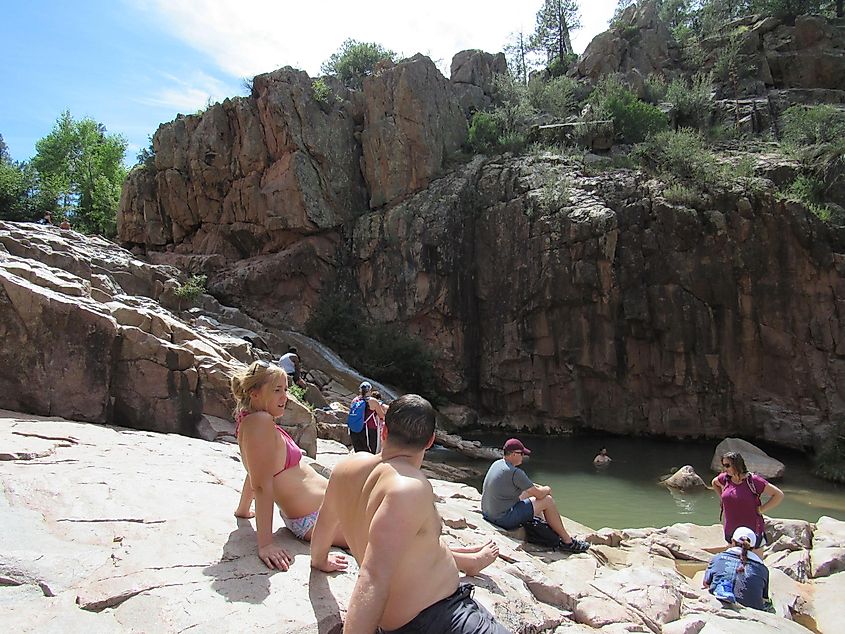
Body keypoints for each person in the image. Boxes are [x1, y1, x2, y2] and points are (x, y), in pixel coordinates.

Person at [310, 394, 509, 634]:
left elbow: (324, 522)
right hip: (437, 619)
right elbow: (372, 576)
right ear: (430, 441)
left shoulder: (346, 467)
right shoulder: (408, 487)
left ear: (384, 431)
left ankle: (470, 562)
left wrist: (319, 561)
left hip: (441, 611)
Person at [230, 360, 347, 570]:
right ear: (254, 392)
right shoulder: (260, 423)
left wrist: (243, 510)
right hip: (317, 518)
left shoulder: (251, 419)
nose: (285, 397)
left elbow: (255, 471)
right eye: (276, 390)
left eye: (285, 389)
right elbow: (262, 485)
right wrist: (265, 545)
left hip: (322, 510)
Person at [481, 438, 589, 553]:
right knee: (547, 500)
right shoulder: (515, 473)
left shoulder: (497, 464)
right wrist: (548, 488)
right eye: (521, 454)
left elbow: (531, 489)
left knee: (531, 491)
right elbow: (540, 494)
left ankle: (546, 524)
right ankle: (568, 542)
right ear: (513, 454)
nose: (523, 456)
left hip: (488, 513)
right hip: (502, 519)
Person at [711, 451, 784, 554]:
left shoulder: (753, 481)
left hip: (752, 530)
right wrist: (723, 498)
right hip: (731, 529)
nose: (724, 469)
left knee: (754, 563)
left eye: (727, 465)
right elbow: (714, 483)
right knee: (734, 562)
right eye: (723, 465)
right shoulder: (725, 479)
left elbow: (778, 495)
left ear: (737, 464)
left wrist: (761, 509)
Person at [704, 526, 772, 611]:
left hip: (720, 606)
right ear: (753, 547)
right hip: (753, 612)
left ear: (732, 541)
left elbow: (706, 583)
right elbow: (763, 597)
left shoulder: (718, 558)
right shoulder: (762, 569)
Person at [348, 381, 386, 454]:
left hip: (354, 429)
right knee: (370, 452)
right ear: (370, 391)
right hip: (369, 429)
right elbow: (382, 416)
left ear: (360, 390)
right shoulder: (373, 401)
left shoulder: (355, 400)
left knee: (358, 451)